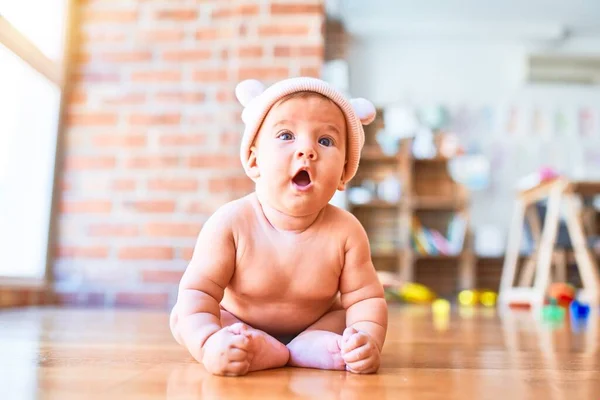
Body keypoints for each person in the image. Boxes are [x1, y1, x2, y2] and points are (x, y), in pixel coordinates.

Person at [169, 77, 388, 376]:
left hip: (317, 324)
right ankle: (240, 345)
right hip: (237, 322)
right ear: (253, 160)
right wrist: (208, 343)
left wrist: (366, 341)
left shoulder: (346, 232)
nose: (307, 150)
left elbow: (366, 298)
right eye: (286, 135)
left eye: (325, 141)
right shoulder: (231, 223)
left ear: (344, 174)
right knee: (185, 317)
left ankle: (309, 345)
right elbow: (199, 291)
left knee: (345, 319)